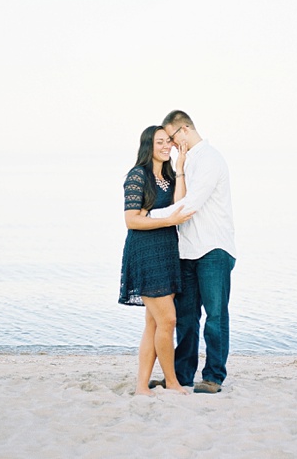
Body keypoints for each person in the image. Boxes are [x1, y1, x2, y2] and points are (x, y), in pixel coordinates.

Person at [148, 110, 236, 394]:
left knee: (215, 317)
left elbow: (190, 204)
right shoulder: (187, 161)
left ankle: (213, 377)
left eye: (172, 138)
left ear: (184, 130)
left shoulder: (210, 159)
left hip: (213, 249)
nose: (170, 145)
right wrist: (181, 166)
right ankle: (182, 376)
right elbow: (181, 197)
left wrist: (148, 216)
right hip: (187, 251)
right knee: (186, 319)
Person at [118, 125, 194, 396]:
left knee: (153, 323)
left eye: (168, 142)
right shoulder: (137, 176)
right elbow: (131, 220)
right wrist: (168, 220)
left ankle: (141, 386)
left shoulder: (169, 175)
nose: (165, 146)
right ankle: (171, 381)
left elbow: (179, 203)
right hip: (145, 253)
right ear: (148, 145)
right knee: (168, 321)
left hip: (167, 252)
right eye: (159, 142)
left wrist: (181, 166)